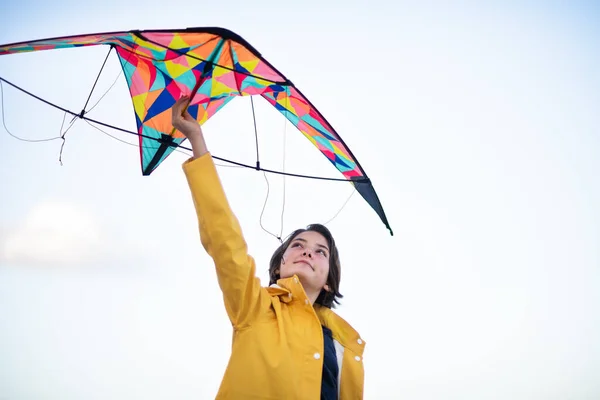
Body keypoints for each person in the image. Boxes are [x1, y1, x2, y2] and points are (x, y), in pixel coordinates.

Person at [174, 96, 366, 399]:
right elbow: (226, 243)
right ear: (279, 265)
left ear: (329, 282)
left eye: (320, 251)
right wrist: (197, 140)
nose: (307, 252)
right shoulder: (254, 306)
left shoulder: (344, 344)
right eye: (298, 245)